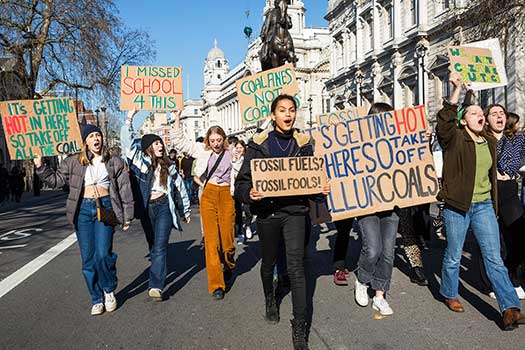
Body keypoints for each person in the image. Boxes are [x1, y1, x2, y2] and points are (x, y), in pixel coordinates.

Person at [235, 94, 330, 350]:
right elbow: (242, 182)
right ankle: (270, 299)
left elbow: (312, 178)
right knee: (269, 262)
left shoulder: (304, 143)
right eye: (282, 110)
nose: (288, 115)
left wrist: (321, 188)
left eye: (291, 110)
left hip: (296, 213)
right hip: (268, 213)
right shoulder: (257, 145)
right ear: (273, 114)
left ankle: (299, 327)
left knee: (296, 267)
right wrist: (249, 194)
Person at [437, 74, 525, 330]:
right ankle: (449, 292)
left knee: (494, 257)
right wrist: (457, 92)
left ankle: (510, 308)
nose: (479, 115)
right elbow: (444, 121)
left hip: (484, 205)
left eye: (480, 112)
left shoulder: (488, 141)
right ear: (464, 121)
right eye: (473, 112)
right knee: (453, 255)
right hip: (457, 206)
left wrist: (471, 94)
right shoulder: (453, 139)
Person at [34, 124, 134, 315]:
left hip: (105, 208)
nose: (96, 139)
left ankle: (108, 289)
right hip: (83, 211)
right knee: (88, 259)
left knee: (103, 254)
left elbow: (125, 190)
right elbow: (56, 181)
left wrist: (127, 216)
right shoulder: (73, 161)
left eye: (98, 135)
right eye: (91, 136)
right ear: (85, 141)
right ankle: (96, 298)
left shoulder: (114, 161)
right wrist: (40, 167)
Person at [121, 110, 191, 301]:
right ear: (147, 148)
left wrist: (185, 209)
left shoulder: (169, 166)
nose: (160, 145)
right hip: (147, 209)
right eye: (156, 143)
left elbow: (181, 188)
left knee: (160, 246)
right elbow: (127, 143)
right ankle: (158, 268)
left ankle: (156, 286)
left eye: (161, 142)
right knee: (153, 245)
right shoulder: (140, 163)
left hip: (164, 207)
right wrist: (129, 117)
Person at [171, 110, 236, 301]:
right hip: (208, 195)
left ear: (223, 139)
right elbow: (180, 142)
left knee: (228, 242)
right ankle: (216, 284)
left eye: (219, 140)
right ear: (208, 140)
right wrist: (176, 118)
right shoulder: (202, 150)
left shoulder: (231, 154)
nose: (216, 143)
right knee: (211, 241)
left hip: (226, 195)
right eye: (212, 140)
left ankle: (229, 264)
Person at [352, 102, 400, 317]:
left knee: (388, 253)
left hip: (391, 204)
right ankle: (362, 279)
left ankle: (380, 296)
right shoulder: (358, 143)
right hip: (367, 203)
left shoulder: (399, 142)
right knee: (373, 249)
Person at [484, 104, 525, 299]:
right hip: (487, 191)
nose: (499, 116)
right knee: (491, 241)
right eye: (494, 113)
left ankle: (510, 273)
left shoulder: (516, 139)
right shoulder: (482, 139)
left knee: (518, 237)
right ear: (487, 119)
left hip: (508, 190)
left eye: (502, 113)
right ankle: (493, 282)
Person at [230, 140, 253, 243]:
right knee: (237, 211)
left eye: (240, 148)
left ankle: (248, 225)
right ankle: (240, 232)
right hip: (235, 188)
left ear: (244, 149)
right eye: (237, 148)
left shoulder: (246, 160)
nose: (239, 150)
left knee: (248, 209)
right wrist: (234, 159)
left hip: (245, 187)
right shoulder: (231, 160)